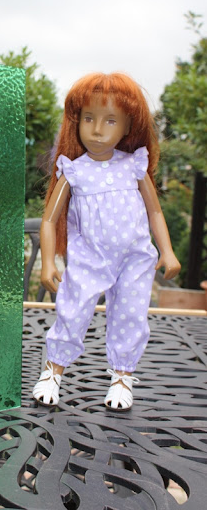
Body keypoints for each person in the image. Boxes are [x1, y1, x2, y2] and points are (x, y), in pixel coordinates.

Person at [32, 72, 181, 411]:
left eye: (110, 120)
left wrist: (167, 251)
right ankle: (53, 371)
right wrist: (50, 262)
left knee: (131, 315)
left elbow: (155, 211)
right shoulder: (74, 171)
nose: (97, 130)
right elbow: (50, 220)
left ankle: (122, 377)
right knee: (72, 312)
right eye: (89, 118)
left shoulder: (134, 166)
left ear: (128, 127)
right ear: (77, 122)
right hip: (90, 257)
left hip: (134, 258)